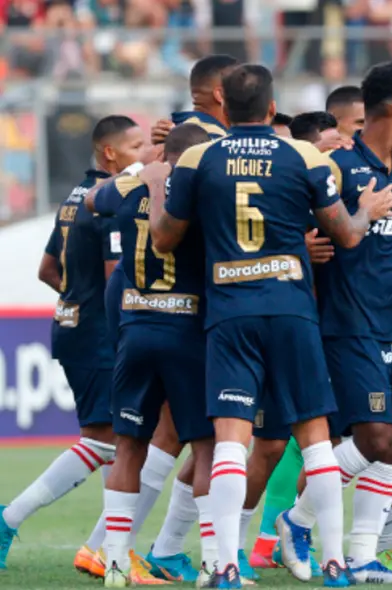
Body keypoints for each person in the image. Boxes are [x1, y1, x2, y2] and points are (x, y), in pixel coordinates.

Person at [148, 63, 392, 589]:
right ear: (269, 108)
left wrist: (160, 196)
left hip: (229, 313)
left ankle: (224, 566)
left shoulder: (197, 157)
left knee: (231, 443)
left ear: (223, 106)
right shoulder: (304, 155)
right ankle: (334, 562)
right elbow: (346, 235)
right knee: (315, 441)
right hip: (291, 309)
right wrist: (366, 210)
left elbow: (166, 240)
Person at [279, 61, 392, 585]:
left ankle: (362, 559)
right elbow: (299, 224)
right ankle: (297, 520)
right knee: (375, 436)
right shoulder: (338, 165)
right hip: (346, 320)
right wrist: (305, 245)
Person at [0, 116, 144, 573]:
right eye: (137, 145)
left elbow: (47, 269)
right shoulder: (110, 203)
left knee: (121, 441)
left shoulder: (74, 197)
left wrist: (75, 302)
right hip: (99, 336)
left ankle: (103, 546)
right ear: (110, 154)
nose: (145, 153)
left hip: (72, 326)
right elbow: (115, 281)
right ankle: (13, 520)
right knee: (117, 443)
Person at [86, 124, 215, 588]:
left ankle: (116, 564)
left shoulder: (132, 184)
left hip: (136, 327)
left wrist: (142, 170)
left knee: (128, 447)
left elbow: (90, 201)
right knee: (206, 447)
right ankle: (214, 565)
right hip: (186, 330)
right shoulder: (200, 188)